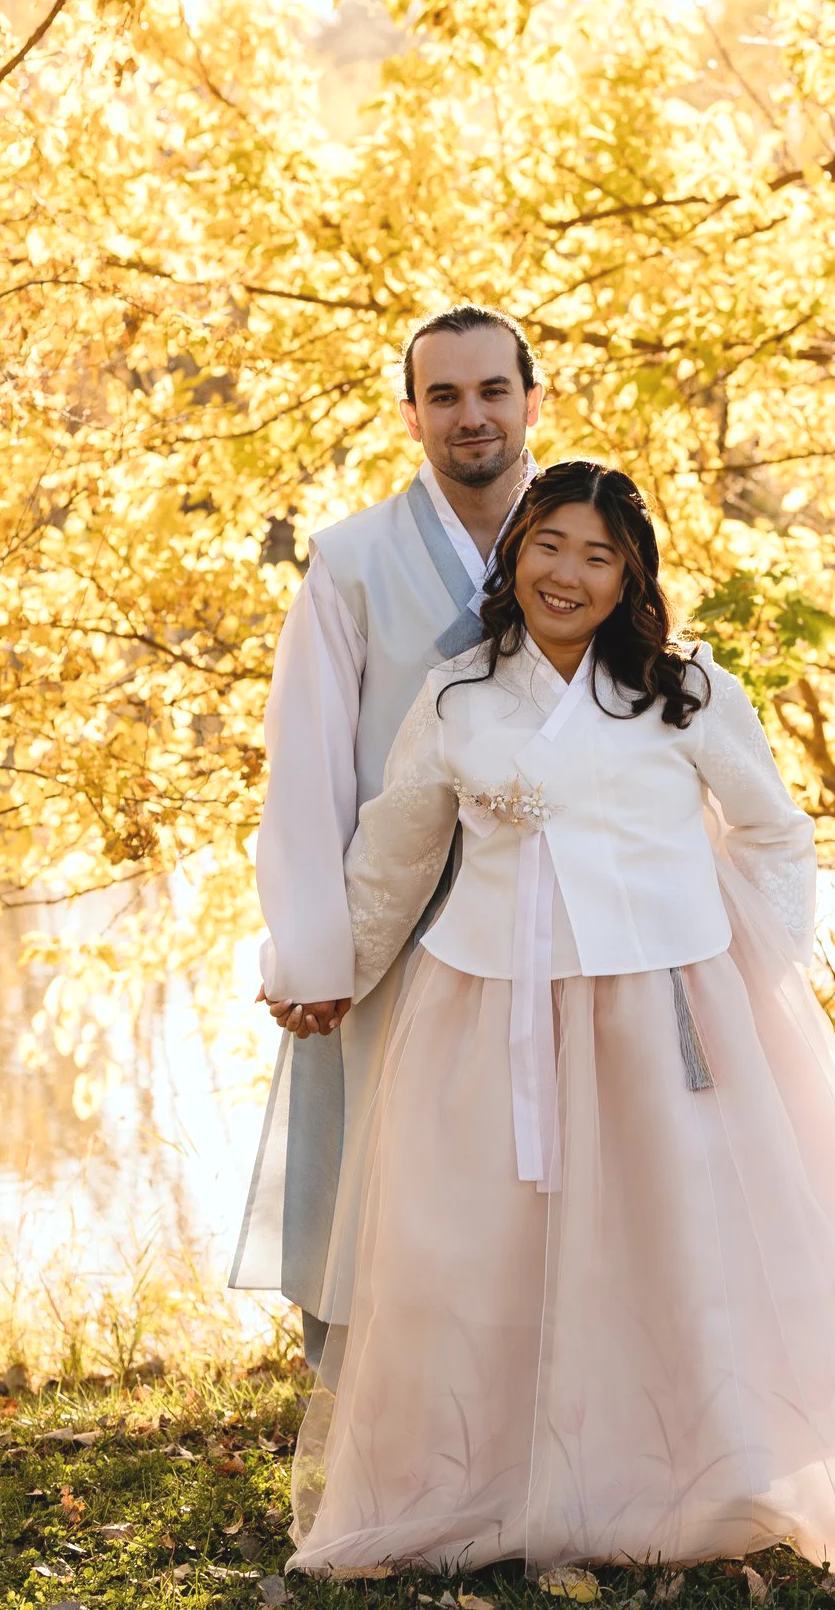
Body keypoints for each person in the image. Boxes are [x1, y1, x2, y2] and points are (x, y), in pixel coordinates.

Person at [287, 461, 835, 1576]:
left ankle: (704, 1467)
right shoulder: (456, 697)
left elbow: (773, 829)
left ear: (628, 574)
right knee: (479, 1246)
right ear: (516, 554)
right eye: (548, 545)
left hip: (662, 1007)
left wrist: (756, 968)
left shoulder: (683, 692)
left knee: (675, 1236)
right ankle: (481, 1471)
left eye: (596, 555)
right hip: (492, 1010)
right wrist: (325, 965)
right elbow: (394, 851)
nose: (566, 573)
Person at [229, 306, 546, 1370]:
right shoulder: (351, 562)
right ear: (409, 415)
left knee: (536, 1170)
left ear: (532, 402)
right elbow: (308, 767)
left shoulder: (588, 544)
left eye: (492, 390)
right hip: (397, 926)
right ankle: (383, 1434)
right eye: (444, 395)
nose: (471, 416)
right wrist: (317, 952)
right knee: (383, 1174)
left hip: (557, 919)